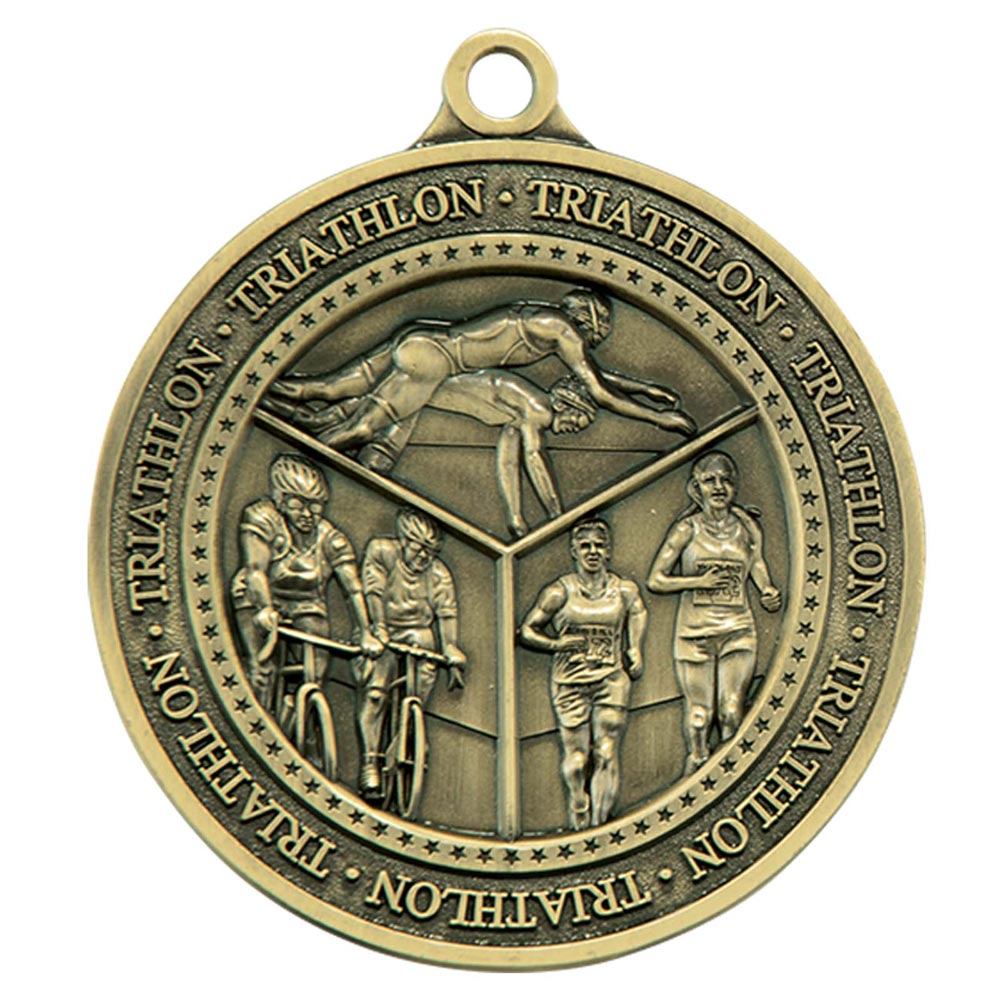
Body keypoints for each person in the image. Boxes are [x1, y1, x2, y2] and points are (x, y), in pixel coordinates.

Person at [267, 288, 696, 455]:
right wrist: (660, 419)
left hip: (422, 341)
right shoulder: (562, 330)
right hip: (436, 362)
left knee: (328, 389)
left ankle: (263, 396)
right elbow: (598, 392)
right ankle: (296, 454)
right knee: (362, 430)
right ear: (590, 321)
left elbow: (596, 375)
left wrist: (648, 390)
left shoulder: (543, 318)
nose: (591, 344)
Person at [266, 369, 599, 538]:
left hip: (416, 399)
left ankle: (264, 400)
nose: (574, 428)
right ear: (566, 404)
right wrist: (556, 514)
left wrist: (516, 518)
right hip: (415, 387)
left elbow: (509, 462)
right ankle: (263, 398)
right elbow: (534, 458)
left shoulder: (519, 415)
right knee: (338, 426)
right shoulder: (537, 408)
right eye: (578, 420)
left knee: (349, 434)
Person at [646, 451, 781, 775]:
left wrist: (767, 589)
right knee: (699, 717)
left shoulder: (747, 526)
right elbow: (656, 580)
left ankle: (731, 779)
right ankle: (696, 777)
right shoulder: (686, 529)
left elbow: (757, 563)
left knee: (732, 712)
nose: (718, 487)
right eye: (710, 480)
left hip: (738, 629)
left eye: (725, 480)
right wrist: (698, 582)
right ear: (697, 487)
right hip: (694, 635)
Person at [518, 518, 647, 830]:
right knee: (577, 760)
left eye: (599, 546)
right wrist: (555, 644)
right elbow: (527, 630)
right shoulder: (559, 592)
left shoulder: (624, 590)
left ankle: (600, 827)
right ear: (574, 551)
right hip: (570, 684)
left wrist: (634, 647)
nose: (592, 552)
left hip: (610, 679)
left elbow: (638, 611)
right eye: (585, 546)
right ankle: (578, 801)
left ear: (608, 551)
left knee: (606, 751)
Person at [230, 453, 383, 708]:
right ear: (280, 500)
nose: (307, 513)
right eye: (297, 504)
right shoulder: (262, 519)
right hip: (256, 595)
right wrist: (265, 608)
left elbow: (353, 590)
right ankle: (257, 711)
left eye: (315, 505)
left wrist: (365, 632)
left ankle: (302, 712)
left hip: (306, 602)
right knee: (262, 671)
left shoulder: (331, 539)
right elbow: (255, 570)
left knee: (314, 677)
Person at [355, 507, 466, 800]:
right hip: (383, 630)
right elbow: (373, 591)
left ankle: (411, 725)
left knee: (425, 648)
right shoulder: (381, 551)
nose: (425, 556)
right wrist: (379, 628)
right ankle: (370, 760)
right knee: (376, 693)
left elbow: (446, 613)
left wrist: (450, 647)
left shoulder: (439, 573)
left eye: (432, 551)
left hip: (417, 633)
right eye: (419, 548)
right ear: (404, 540)